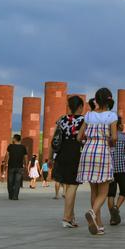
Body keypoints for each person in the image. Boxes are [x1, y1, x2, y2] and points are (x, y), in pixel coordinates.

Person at [77, 88, 118, 236]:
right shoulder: (111, 116)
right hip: (102, 152)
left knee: (94, 190)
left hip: (88, 152)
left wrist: (90, 139)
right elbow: (114, 138)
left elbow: (79, 137)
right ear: (109, 100)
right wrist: (107, 141)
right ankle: (92, 212)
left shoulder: (88, 115)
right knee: (104, 191)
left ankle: (98, 224)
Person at [52, 96, 85, 227]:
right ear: (81, 107)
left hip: (61, 154)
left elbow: (55, 138)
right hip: (75, 154)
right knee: (73, 186)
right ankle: (66, 218)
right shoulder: (84, 120)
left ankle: (71, 217)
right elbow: (82, 138)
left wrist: (51, 156)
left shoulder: (61, 119)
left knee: (68, 186)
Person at [107, 117, 125, 226]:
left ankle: (112, 217)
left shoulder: (108, 138)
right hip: (123, 168)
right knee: (124, 191)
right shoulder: (124, 137)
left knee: (110, 194)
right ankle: (116, 208)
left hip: (110, 169)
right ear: (119, 125)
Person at [4, 134, 28, 200]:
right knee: (17, 182)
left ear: (15, 139)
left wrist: (5, 164)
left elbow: (6, 156)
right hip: (20, 167)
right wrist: (26, 165)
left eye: (13, 138)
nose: (12, 139)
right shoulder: (23, 147)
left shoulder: (10, 146)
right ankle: (15, 196)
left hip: (11, 167)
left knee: (10, 182)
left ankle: (11, 195)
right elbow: (26, 157)